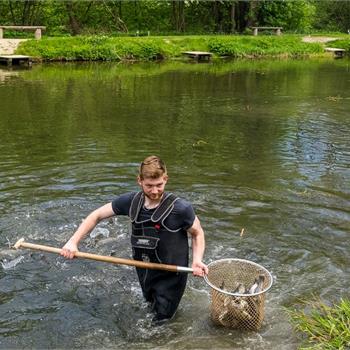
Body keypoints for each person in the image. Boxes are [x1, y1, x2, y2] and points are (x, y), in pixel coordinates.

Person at [61, 155, 208, 324]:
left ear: (165, 179)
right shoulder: (131, 202)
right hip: (144, 270)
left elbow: (198, 233)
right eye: (149, 186)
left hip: (171, 277)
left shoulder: (181, 209)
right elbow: (97, 215)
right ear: (139, 181)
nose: (154, 191)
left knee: (161, 323)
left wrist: (197, 261)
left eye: (159, 185)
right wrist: (73, 242)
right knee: (148, 309)